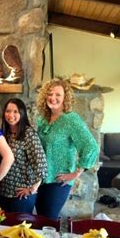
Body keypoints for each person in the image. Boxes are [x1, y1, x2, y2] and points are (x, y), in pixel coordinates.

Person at [35, 78, 98, 219]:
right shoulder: (42, 119)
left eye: (58, 95)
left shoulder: (71, 119)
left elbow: (91, 146)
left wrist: (76, 173)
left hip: (59, 180)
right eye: (50, 94)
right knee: (40, 219)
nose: (53, 98)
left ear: (65, 98)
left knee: (48, 220)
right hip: (41, 179)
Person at [0, 98, 47, 213]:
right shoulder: (5, 134)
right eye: (8, 111)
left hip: (21, 196)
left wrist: (32, 189)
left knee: (20, 230)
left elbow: (41, 164)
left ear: (22, 113)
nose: (11, 115)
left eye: (15, 112)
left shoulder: (28, 134)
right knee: (5, 229)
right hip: (4, 192)